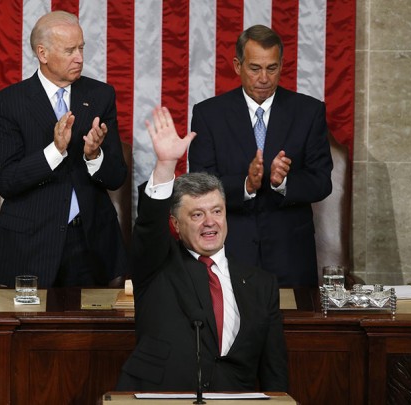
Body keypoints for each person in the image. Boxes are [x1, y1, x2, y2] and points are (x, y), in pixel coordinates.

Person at [116, 106, 288, 392]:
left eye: (217, 211)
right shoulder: (157, 267)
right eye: (197, 214)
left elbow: (274, 370)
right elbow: (148, 228)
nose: (210, 222)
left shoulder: (262, 285)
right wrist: (166, 165)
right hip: (163, 395)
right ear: (175, 224)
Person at [0, 11, 127, 288]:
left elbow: (116, 177)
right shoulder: (9, 102)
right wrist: (55, 150)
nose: (80, 58)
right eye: (69, 50)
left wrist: (94, 156)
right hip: (31, 244)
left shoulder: (100, 96)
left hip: (90, 245)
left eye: (81, 48)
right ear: (43, 53)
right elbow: (7, 181)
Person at [189, 25, 333, 287]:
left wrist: (283, 182)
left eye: (272, 68)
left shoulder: (309, 112)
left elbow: (322, 181)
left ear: (281, 65)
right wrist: (246, 184)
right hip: (231, 252)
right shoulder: (209, 115)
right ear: (238, 66)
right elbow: (200, 184)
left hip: (290, 255)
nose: (264, 78)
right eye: (255, 68)